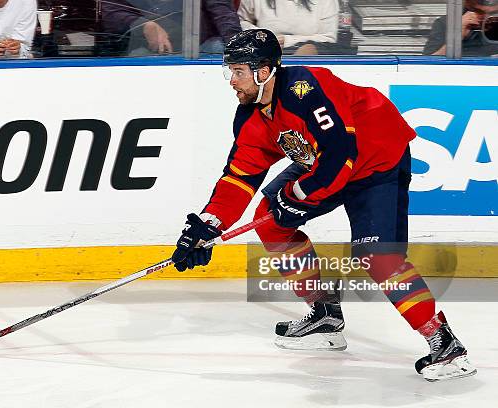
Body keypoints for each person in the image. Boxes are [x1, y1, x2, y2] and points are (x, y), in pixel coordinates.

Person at [171, 28, 476, 382]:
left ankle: (444, 344)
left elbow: (339, 154)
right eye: (230, 71)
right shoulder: (250, 116)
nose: (231, 81)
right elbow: (239, 177)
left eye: (238, 71)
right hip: (324, 165)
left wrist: (297, 197)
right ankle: (325, 316)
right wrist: (208, 224)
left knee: (379, 258)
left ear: (264, 71)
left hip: (376, 159)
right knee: (270, 223)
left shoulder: (305, 88)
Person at [101, 0, 241, 56]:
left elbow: (222, 11)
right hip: (147, 51)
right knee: (135, 57)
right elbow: (110, 14)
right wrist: (142, 25)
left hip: (199, 48)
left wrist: (239, 45)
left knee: (220, 50)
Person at [237, 0, 339, 55]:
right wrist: (263, 36)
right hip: (263, 50)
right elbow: (241, 22)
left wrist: (288, 40)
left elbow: (329, 38)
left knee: (308, 49)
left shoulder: (327, 2)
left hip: (307, 56)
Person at [424, 0, 498, 56]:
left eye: (493, 13)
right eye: (479, 12)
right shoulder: (446, 23)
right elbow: (428, 64)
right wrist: (457, 35)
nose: (486, 17)